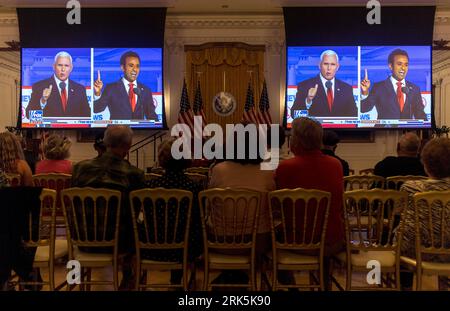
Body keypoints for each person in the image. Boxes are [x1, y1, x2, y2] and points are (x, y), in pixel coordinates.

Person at [71, 125, 146, 289]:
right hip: (119, 243)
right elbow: (137, 210)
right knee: (137, 226)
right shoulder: (134, 174)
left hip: (83, 240)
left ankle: (74, 279)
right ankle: (130, 277)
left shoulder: (79, 168)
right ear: (128, 146)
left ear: (105, 142)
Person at [275, 117, 344, 289]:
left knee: (270, 234)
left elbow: (277, 207)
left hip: (296, 241)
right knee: (323, 225)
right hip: (331, 242)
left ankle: (290, 286)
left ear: (296, 141)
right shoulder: (336, 164)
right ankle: (324, 283)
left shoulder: (286, 167)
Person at [144, 137, 203, 285]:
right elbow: (197, 220)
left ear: (161, 159)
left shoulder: (149, 187)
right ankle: (177, 281)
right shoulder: (194, 188)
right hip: (185, 249)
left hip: (150, 248)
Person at [399, 137, 450, 290]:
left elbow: (398, 216)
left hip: (415, 252)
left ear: (425, 163)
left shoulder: (410, 188)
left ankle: (405, 287)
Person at [361, 49, 427, 120]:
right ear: (390, 66)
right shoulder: (379, 87)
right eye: (399, 64)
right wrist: (365, 92)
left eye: (406, 65)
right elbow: (364, 108)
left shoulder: (414, 89)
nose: (403, 68)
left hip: (407, 130)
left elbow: (420, 115)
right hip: (384, 130)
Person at [290, 50, 357, 118]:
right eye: (325, 64)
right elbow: (294, 114)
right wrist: (308, 100)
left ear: (337, 67)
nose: (329, 68)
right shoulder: (305, 86)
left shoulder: (346, 89)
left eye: (332, 64)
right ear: (319, 65)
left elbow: (354, 115)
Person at [93, 51, 158, 120]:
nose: (135, 69)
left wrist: (156, 125)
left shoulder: (145, 90)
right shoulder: (111, 88)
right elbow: (97, 109)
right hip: (116, 130)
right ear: (123, 68)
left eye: (137, 66)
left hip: (138, 130)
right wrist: (97, 93)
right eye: (131, 65)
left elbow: (152, 115)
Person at [26, 51, 90, 118]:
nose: (63, 69)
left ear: (71, 68)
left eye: (66, 66)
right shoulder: (39, 87)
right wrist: (43, 100)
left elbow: (87, 115)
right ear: (54, 66)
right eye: (60, 65)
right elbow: (29, 115)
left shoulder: (80, 89)